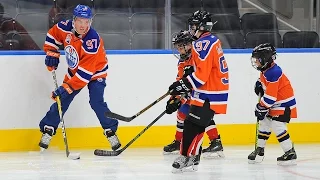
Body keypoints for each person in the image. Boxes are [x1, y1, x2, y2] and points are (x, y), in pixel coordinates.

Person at [38, 4, 121, 152]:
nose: (84, 25)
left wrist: (65, 88)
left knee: (96, 102)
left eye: (87, 21)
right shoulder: (64, 27)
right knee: (62, 100)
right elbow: (53, 35)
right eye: (80, 21)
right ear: (74, 20)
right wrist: (52, 52)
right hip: (75, 70)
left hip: (95, 73)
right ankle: (48, 128)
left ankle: (110, 131)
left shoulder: (92, 40)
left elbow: (85, 74)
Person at [167, 10, 229, 172]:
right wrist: (177, 95)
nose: (191, 29)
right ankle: (192, 157)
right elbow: (194, 74)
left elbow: (201, 76)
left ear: (201, 26)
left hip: (209, 92)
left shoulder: (204, 43)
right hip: (209, 91)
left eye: (193, 26)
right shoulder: (206, 41)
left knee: (192, 123)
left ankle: (187, 157)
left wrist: (183, 84)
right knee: (195, 124)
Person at [248, 43, 297, 166]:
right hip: (275, 104)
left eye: (257, 60)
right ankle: (260, 149)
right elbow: (266, 86)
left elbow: (271, 97)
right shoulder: (266, 70)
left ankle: (290, 152)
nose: (256, 62)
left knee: (277, 126)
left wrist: (261, 106)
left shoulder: (274, 72)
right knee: (264, 123)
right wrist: (259, 84)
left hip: (283, 105)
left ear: (265, 58)